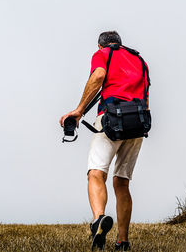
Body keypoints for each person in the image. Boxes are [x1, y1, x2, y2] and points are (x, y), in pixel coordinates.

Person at [59, 31, 149, 251]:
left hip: (111, 119)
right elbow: (146, 96)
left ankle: (99, 218)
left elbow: (98, 76)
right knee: (122, 182)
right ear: (120, 42)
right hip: (137, 122)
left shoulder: (103, 54)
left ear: (101, 46)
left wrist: (79, 110)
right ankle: (123, 242)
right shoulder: (140, 60)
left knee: (96, 173)